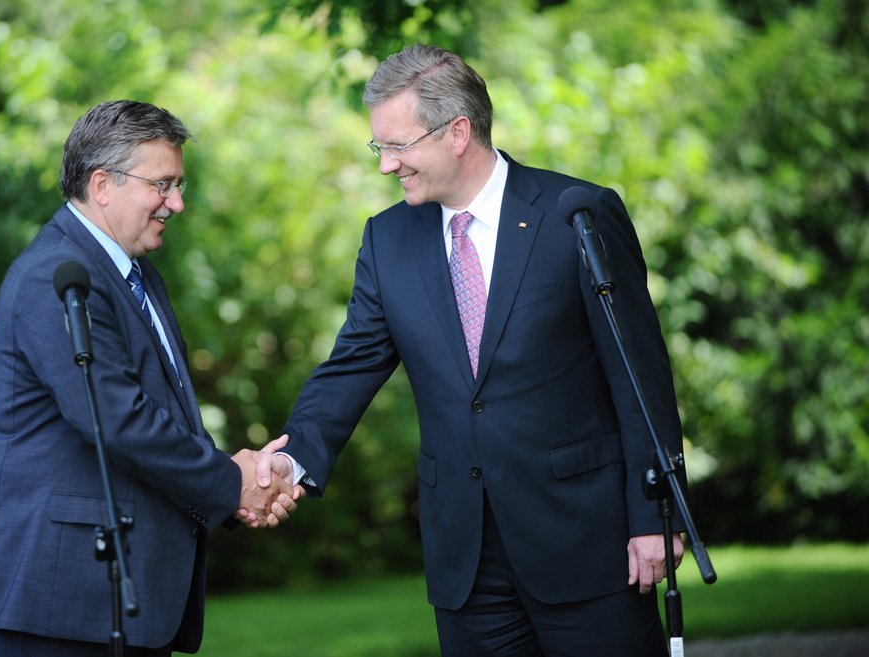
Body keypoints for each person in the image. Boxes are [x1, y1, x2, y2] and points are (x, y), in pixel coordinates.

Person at [269, 45, 687, 656]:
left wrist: (655, 515)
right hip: (465, 562)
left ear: (458, 132)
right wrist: (291, 462)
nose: (386, 165)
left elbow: (639, 376)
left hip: (589, 544)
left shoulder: (577, 215)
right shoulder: (387, 239)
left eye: (398, 145)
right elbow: (351, 366)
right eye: (378, 147)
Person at [0, 100, 302, 656]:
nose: (177, 202)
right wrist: (231, 482)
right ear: (102, 185)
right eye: (162, 185)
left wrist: (241, 481)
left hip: (123, 597)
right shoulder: (55, 275)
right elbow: (116, 417)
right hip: (61, 600)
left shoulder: (136, 275)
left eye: (179, 184)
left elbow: (165, 415)